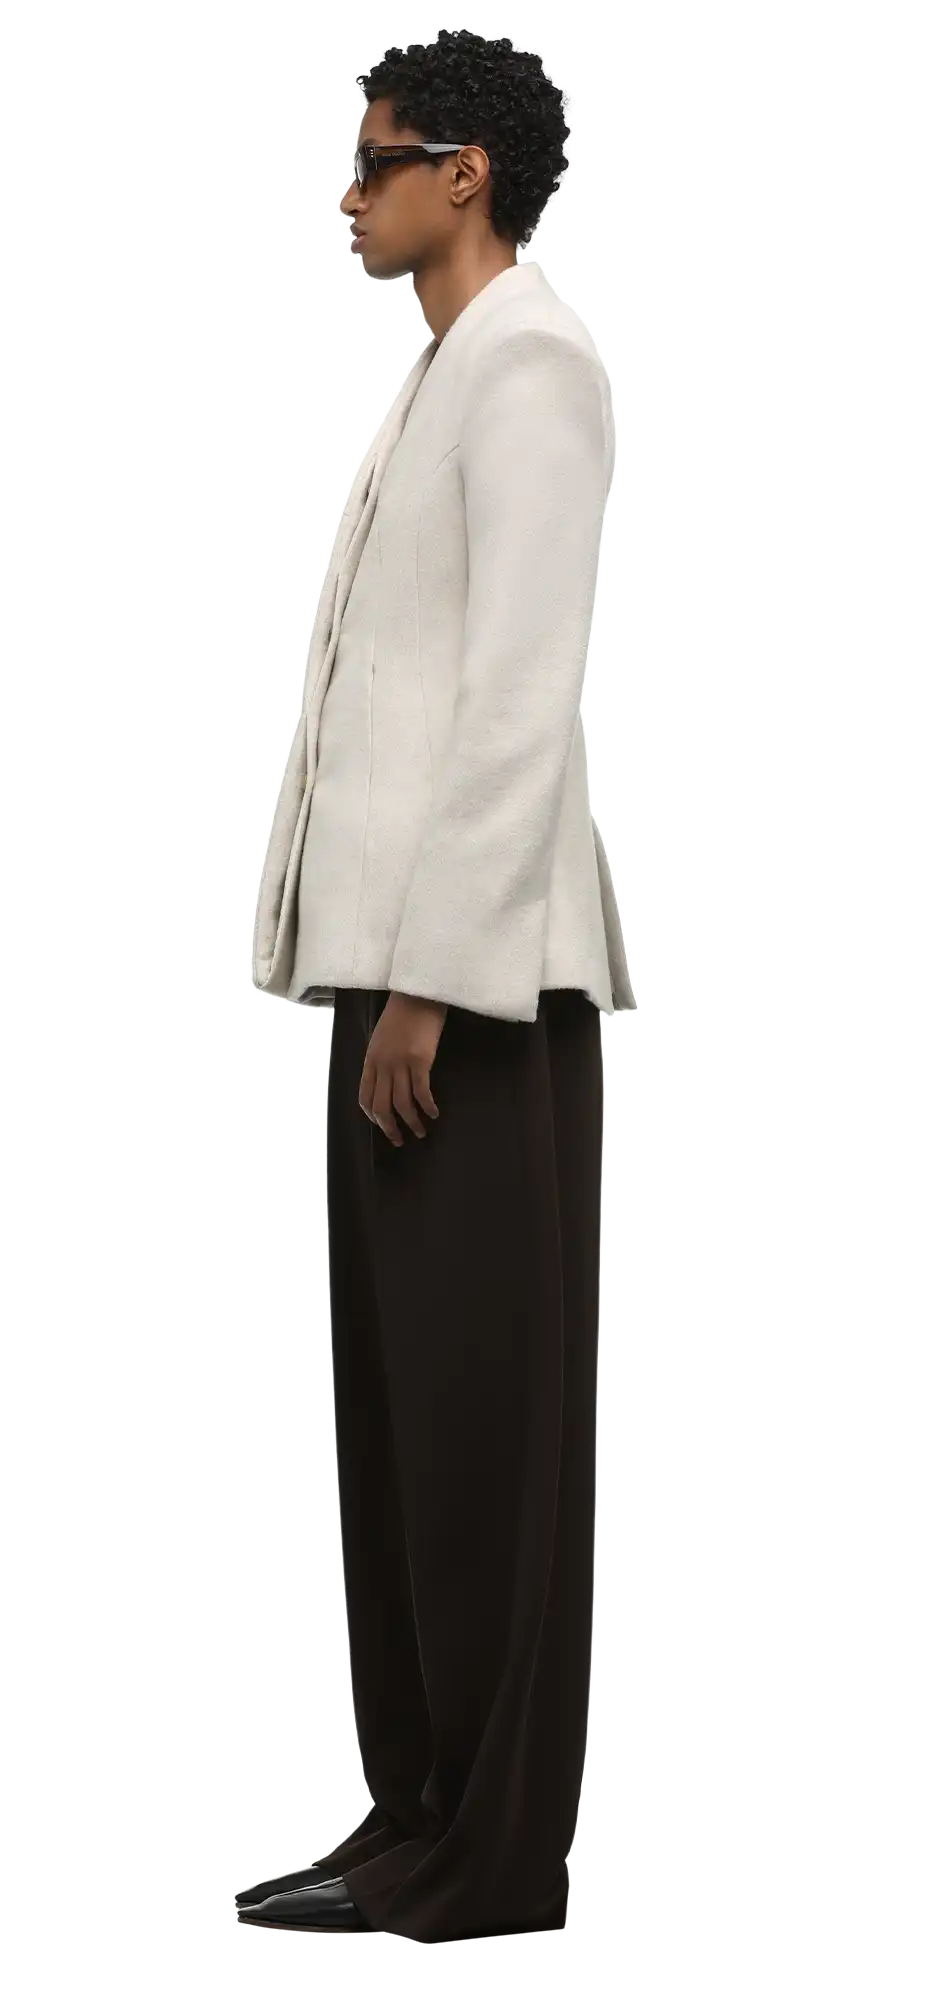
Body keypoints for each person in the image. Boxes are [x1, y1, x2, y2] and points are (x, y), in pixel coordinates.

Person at [238, 26, 638, 1943]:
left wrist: (434, 985)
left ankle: (492, 1854)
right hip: (393, 976)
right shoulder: (445, 368)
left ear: (460, 174)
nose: (349, 193)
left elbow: (516, 695)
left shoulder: (534, 364)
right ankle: (410, 1813)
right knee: (398, 1421)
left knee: (482, 1426)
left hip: (467, 993)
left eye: (375, 159)